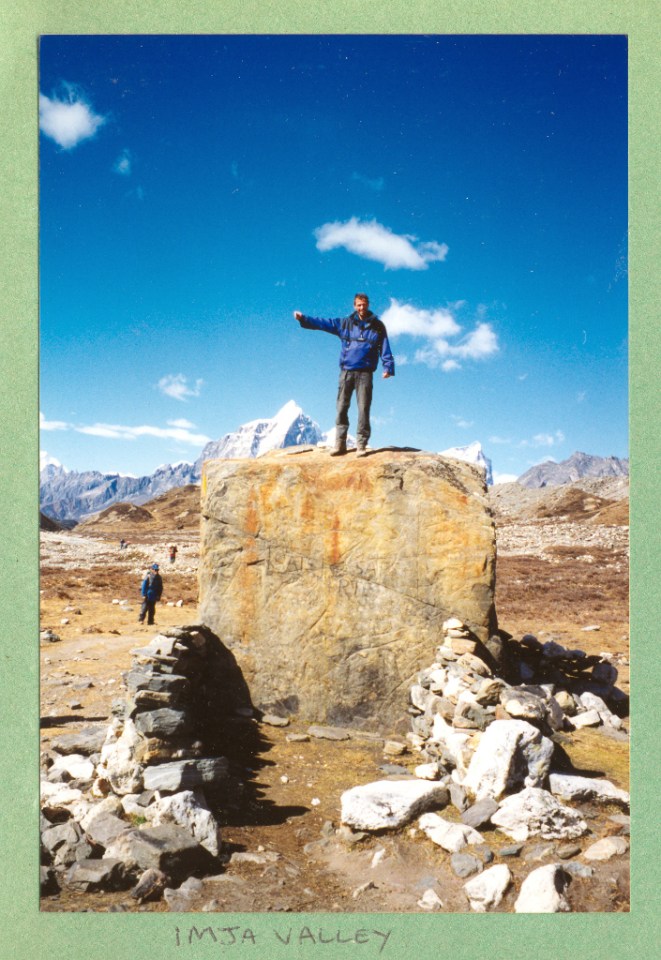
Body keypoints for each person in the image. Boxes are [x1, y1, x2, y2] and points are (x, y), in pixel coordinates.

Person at [294, 293, 394, 457]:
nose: (361, 308)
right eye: (359, 305)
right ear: (355, 306)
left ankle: (361, 445)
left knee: (363, 409)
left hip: (365, 374)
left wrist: (388, 366)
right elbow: (324, 324)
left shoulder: (377, 326)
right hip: (346, 372)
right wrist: (304, 319)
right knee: (341, 408)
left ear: (368, 305)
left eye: (364, 305)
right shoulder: (345, 323)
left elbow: (384, 346)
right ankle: (340, 444)